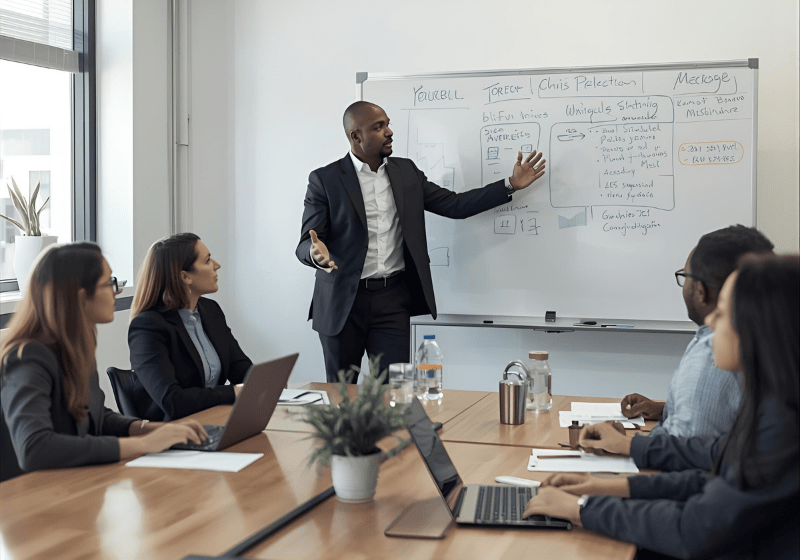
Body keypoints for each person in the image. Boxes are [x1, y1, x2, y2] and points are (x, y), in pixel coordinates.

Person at [523, 254, 799, 560]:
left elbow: (692, 528)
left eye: (722, 313)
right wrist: (601, 486)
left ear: (760, 328)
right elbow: (710, 478)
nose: (710, 321)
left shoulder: (783, 427)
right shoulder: (774, 407)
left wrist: (581, 509)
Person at [296, 101, 547, 382]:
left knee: (394, 394)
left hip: (391, 301)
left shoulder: (406, 172)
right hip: (342, 302)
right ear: (356, 136)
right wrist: (315, 254)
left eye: (388, 124)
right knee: (341, 396)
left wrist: (509, 184)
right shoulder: (325, 179)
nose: (389, 132)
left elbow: (455, 205)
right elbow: (307, 241)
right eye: (378, 127)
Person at [1, 243, 207, 482]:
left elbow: (94, 414)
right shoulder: (26, 357)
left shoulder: (74, 347)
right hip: (31, 501)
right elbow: (34, 448)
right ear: (80, 297)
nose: (116, 292)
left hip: (72, 487)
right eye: (109, 283)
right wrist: (142, 445)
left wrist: (148, 428)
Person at [620, 225, 773, 438]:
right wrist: (665, 409)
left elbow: (686, 449)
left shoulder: (712, 352)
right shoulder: (770, 340)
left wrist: (628, 445)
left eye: (685, 277)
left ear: (700, 291)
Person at [128, 233, 252, 421]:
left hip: (214, 421)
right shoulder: (147, 327)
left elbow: (239, 368)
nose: (217, 265)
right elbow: (173, 401)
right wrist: (232, 393)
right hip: (172, 434)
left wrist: (264, 384)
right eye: (208, 260)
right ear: (185, 276)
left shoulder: (211, 310)